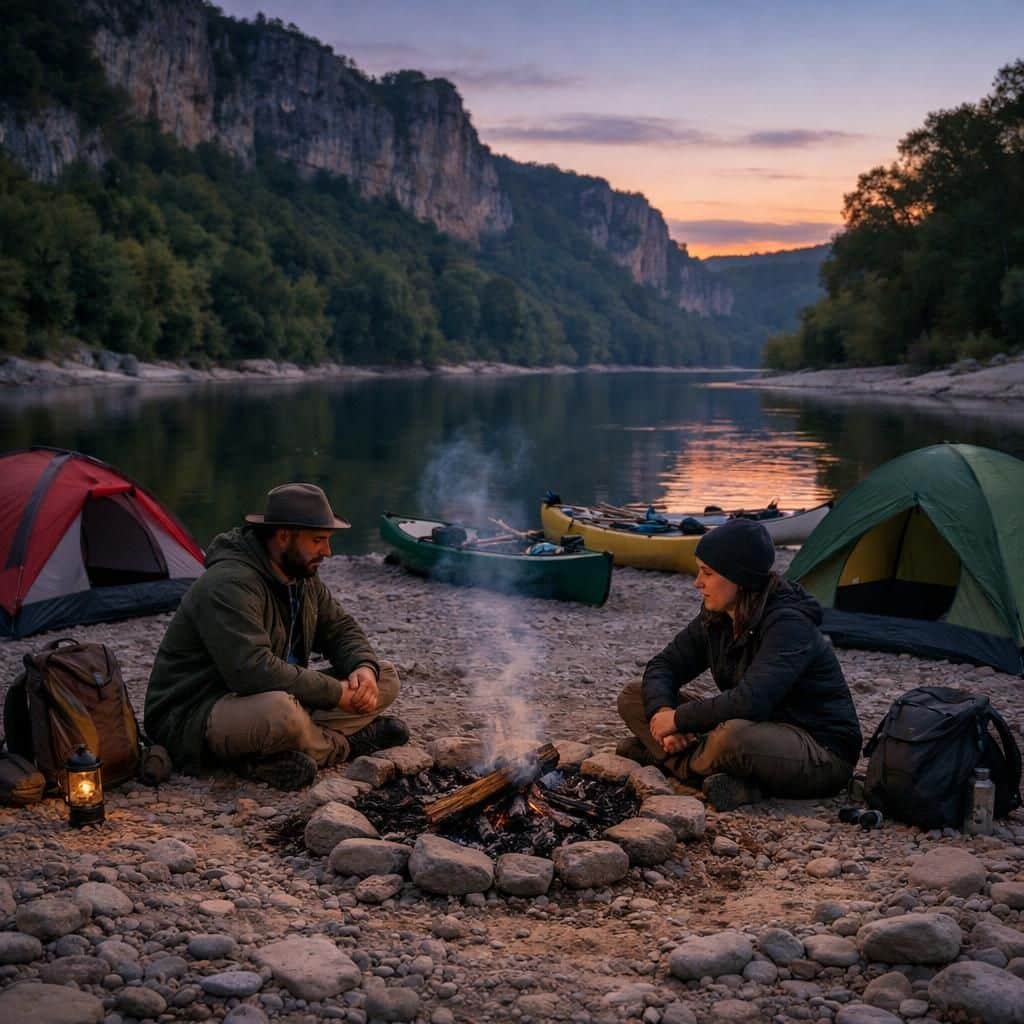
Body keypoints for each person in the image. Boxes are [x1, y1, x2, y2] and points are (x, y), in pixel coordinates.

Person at [145, 483, 407, 791]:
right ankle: (343, 747)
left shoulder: (301, 576)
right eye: (318, 540)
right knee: (281, 712)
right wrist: (336, 693)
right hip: (195, 712)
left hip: (273, 694)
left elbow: (340, 629)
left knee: (386, 676)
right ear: (284, 537)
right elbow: (254, 671)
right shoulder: (230, 584)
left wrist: (363, 669)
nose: (328, 551)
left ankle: (282, 750)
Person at [616, 517, 862, 811]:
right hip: (757, 727)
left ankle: (663, 761)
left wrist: (679, 722)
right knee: (632, 696)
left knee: (732, 737)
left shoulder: (788, 624)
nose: (698, 583)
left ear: (738, 578)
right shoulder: (719, 615)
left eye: (707, 573)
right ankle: (719, 774)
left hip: (819, 751)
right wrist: (663, 711)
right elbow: (665, 665)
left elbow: (752, 701)